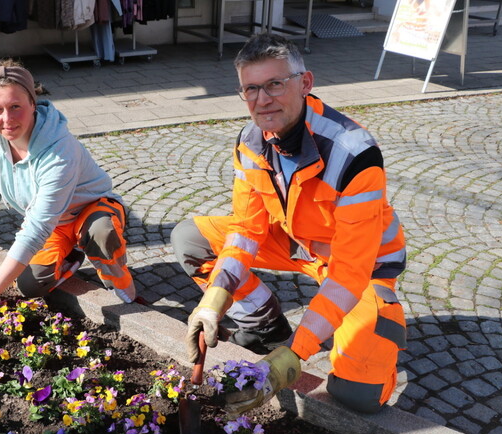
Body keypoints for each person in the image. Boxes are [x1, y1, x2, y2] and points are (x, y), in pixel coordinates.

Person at [171, 33, 407, 414]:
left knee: (357, 396)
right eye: (251, 89)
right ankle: (267, 327)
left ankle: (376, 322)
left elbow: (348, 272)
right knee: (191, 238)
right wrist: (212, 303)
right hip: (300, 246)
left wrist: (291, 357)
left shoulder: (355, 153)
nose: (262, 100)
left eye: (275, 84)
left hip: (364, 266)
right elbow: (247, 231)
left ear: (306, 83)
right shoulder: (251, 141)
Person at [0, 58, 139, 331]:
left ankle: (121, 280)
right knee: (29, 285)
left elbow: (35, 228)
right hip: (55, 225)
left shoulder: (59, 150)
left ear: (32, 103)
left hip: (91, 210)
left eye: (16, 107)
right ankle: (72, 254)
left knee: (102, 232)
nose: (7, 119)